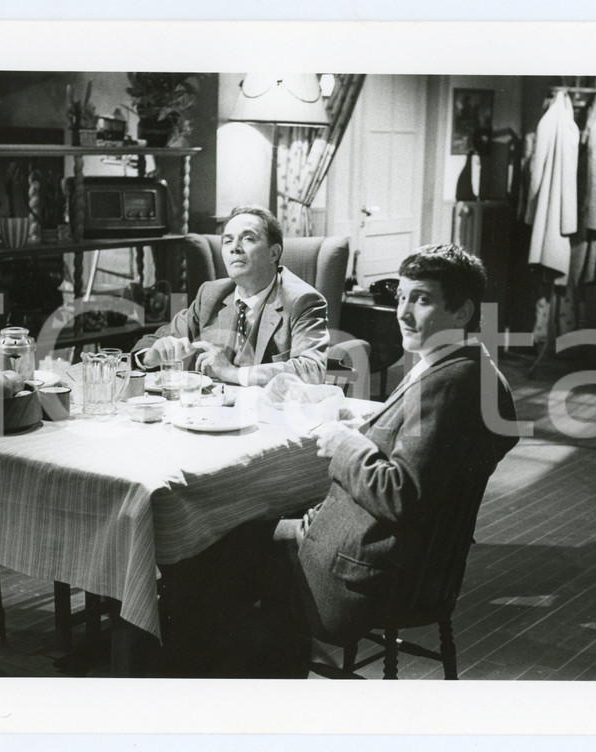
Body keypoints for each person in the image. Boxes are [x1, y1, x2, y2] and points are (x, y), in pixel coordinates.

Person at [162, 242, 520, 678]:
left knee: (196, 546)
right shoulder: (474, 370)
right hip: (415, 561)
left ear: (462, 312)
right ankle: (271, 661)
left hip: (363, 573)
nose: (403, 313)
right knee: (242, 528)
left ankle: (203, 682)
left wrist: (343, 442)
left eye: (422, 300)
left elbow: (400, 495)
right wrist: (343, 415)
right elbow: (438, 453)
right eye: (402, 297)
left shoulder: (448, 385)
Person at [132, 206, 329, 386]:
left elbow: (312, 370)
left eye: (248, 238)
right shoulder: (211, 294)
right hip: (211, 415)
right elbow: (154, 339)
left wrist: (232, 373)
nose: (235, 247)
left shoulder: (303, 301)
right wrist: (150, 356)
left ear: (273, 253)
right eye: (227, 241)